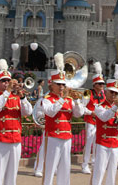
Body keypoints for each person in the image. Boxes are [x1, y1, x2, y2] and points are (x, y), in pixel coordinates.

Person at [0, 59, 33, 185]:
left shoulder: (17, 97)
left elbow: (28, 112)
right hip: (0, 140)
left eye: (8, 81)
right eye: (3, 81)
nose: (6, 83)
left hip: (15, 140)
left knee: (12, 176)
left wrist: (23, 97)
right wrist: (8, 92)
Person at [42, 53, 85, 185]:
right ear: (52, 85)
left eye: (63, 84)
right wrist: (62, 98)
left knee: (65, 168)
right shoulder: (47, 99)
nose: (62, 87)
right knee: (49, 168)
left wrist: (77, 101)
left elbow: (79, 114)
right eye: (59, 84)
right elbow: (50, 112)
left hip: (67, 137)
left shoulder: (69, 99)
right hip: (54, 136)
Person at [92, 66, 118, 185]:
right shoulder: (99, 106)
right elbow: (105, 117)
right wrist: (116, 107)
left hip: (115, 143)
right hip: (103, 143)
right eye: (111, 92)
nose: (113, 95)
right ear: (106, 92)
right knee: (99, 171)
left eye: (116, 93)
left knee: (112, 173)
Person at [81, 61, 105, 174]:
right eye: (100, 84)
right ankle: (85, 164)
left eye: (102, 84)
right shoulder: (87, 93)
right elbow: (82, 108)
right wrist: (91, 113)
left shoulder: (103, 94)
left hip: (99, 122)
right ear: (94, 84)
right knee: (89, 142)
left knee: (97, 142)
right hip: (90, 121)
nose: (101, 86)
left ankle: (95, 163)